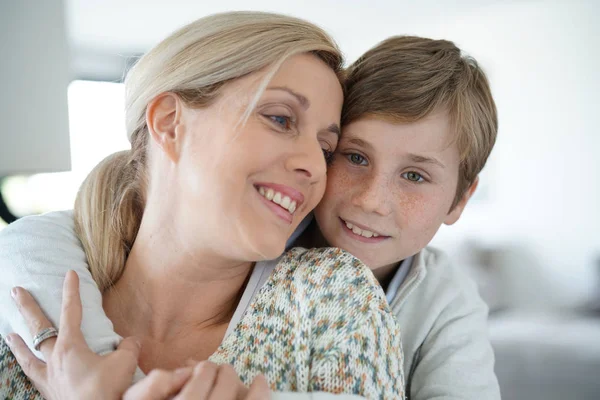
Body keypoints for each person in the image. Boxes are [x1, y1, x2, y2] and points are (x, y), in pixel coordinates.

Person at [0, 11, 405, 400]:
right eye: (280, 119)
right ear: (170, 122)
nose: (315, 166)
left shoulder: (331, 296)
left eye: (325, 148)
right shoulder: (25, 323)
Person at [307, 35, 501, 399]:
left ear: (459, 201)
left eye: (414, 176)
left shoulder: (449, 302)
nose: (372, 201)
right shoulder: (262, 249)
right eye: (355, 157)